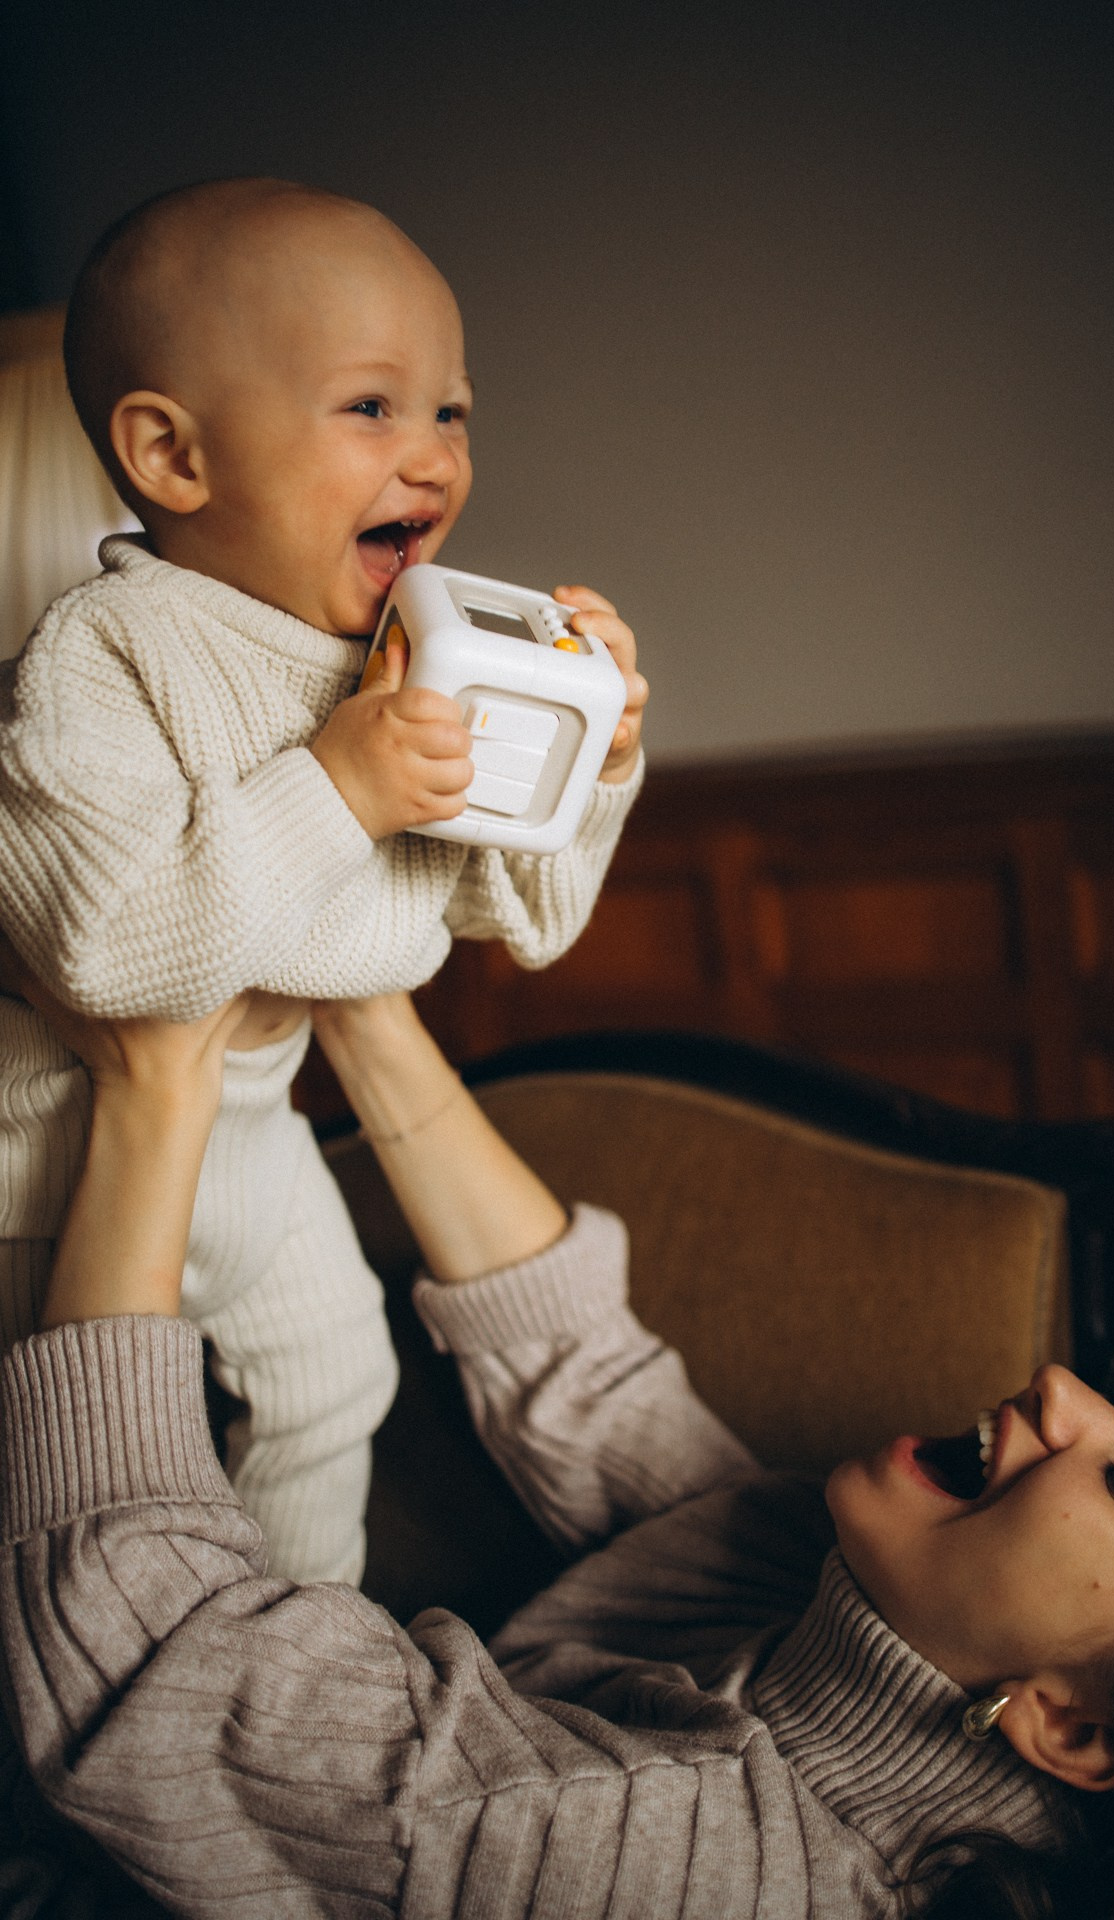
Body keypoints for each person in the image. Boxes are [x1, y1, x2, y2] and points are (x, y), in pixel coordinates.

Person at [1, 969, 1114, 1918]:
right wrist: (363, 999)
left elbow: (156, 1658)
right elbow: (589, 1383)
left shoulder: (680, 1872)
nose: (1064, 1391)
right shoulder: (861, 1588)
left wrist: (158, 1095)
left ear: (1071, 1732)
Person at [0, 176, 648, 1585]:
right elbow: (108, 951)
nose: (432, 456)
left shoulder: (396, 657)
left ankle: (297, 1649)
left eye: (452, 412)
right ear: (172, 456)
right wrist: (340, 788)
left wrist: (586, 764)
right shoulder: (107, 655)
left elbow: (517, 916)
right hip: (53, 1164)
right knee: (65, 1449)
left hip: (257, 1131)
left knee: (340, 1377)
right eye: (371, 406)